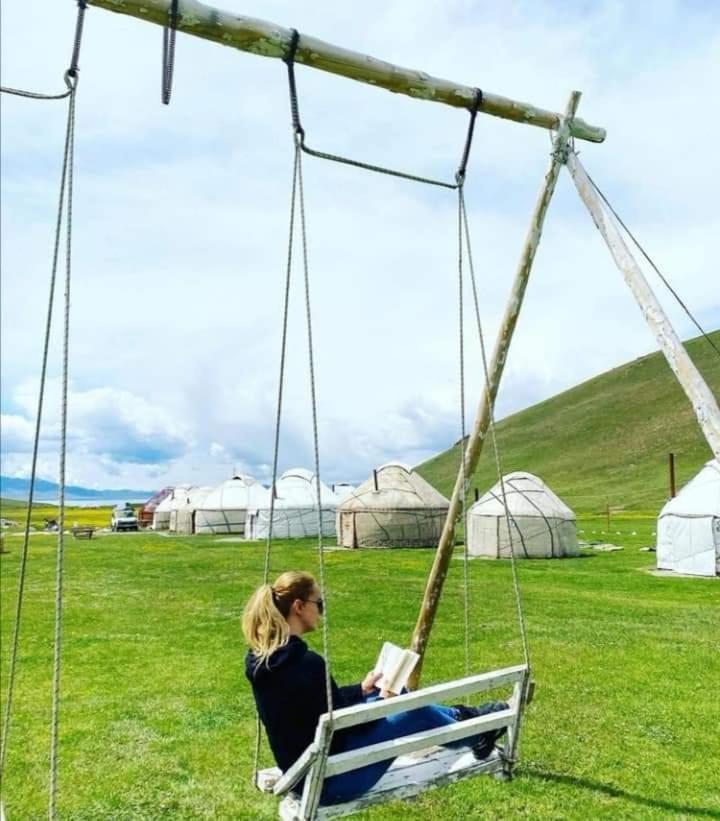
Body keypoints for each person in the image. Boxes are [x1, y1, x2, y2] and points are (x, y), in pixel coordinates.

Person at [243, 570, 508, 805]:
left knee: (401, 699)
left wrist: (362, 690)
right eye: (319, 604)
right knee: (409, 711)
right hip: (328, 782)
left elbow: (321, 705)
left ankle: (468, 718)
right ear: (299, 607)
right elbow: (344, 725)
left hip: (305, 771)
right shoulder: (306, 663)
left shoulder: (263, 661)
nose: (321, 612)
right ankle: (476, 733)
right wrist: (385, 703)